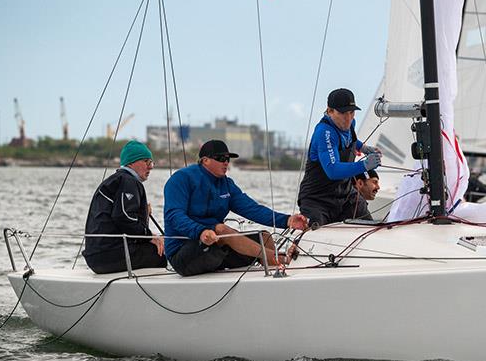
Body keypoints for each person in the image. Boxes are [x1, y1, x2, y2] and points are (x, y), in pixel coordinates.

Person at [164, 139, 309, 277]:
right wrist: (200, 232)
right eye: (221, 158)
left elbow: (252, 209)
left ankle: (277, 274)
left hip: (214, 247)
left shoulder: (226, 184)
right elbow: (174, 216)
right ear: (205, 160)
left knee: (264, 237)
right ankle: (280, 259)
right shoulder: (181, 179)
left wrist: (287, 220)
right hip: (182, 253)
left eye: (228, 159)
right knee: (221, 229)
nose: (226, 162)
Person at [297, 88, 382, 226]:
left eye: (351, 112)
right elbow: (333, 170)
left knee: (369, 228)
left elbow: (349, 139)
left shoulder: (350, 124)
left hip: (346, 195)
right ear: (330, 111)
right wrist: (364, 165)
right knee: (316, 236)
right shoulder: (324, 133)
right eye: (342, 113)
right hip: (317, 200)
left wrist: (363, 148)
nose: (348, 118)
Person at [83, 140, 166, 274]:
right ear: (131, 163)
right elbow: (123, 217)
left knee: (157, 246)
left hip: (96, 257)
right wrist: (150, 236)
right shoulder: (129, 181)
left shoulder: (116, 180)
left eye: (151, 162)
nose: (151, 167)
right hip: (110, 255)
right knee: (163, 251)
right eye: (146, 162)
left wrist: (143, 213)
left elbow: (123, 217)